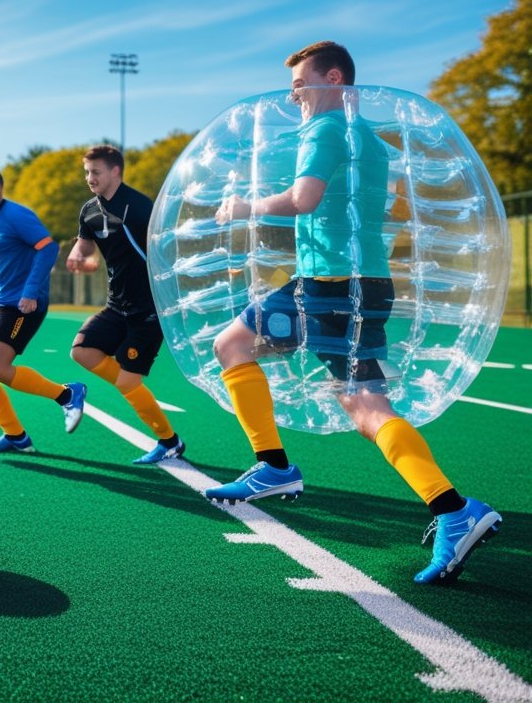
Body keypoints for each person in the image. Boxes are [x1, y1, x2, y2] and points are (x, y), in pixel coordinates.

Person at [207, 40, 500, 584]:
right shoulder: (368, 138)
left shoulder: (323, 130)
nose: (293, 94)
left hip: (332, 284)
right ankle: (279, 469)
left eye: (300, 82)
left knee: (349, 398)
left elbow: (305, 199)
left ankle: (451, 509)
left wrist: (247, 206)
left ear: (334, 78)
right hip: (358, 283)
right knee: (351, 400)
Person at [66, 145, 187, 465]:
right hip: (116, 305)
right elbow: (85, 248)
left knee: (127, 382)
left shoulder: (140, 207)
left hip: (148, 310)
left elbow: (165, 249)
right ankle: (127, 379)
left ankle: (170, 442)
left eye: (96, 172)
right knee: (81, 351)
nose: (89, 178)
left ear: (115, 171)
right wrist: (79, 258)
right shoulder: (88, 211)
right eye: (87, 172)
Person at [0, 166, 86, 454]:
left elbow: (48, 248)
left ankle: (67, 394)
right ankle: (15, 436)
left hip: (27, 303)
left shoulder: (17, 215)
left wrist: (30, 292)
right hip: (4, 303)